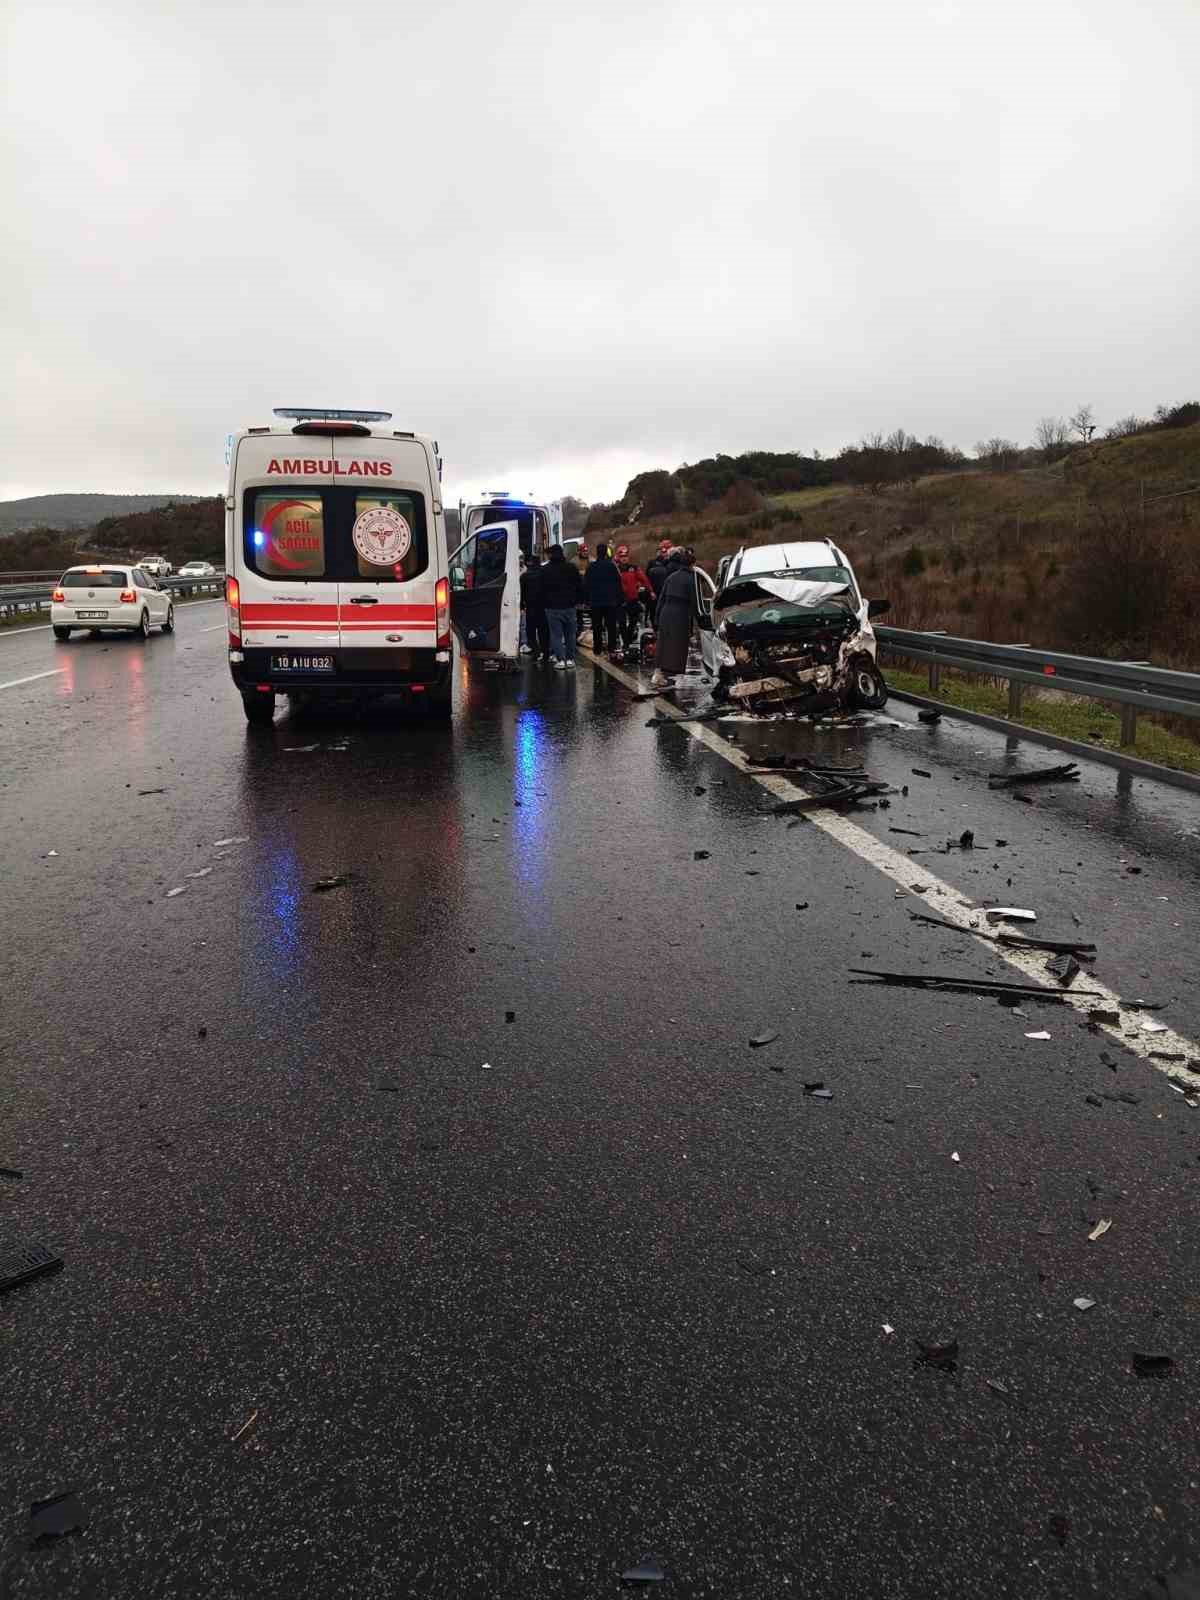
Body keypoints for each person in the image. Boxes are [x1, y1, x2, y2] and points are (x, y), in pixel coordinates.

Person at [651, 547, 696, 690]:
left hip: (666, 611)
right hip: (681, 613)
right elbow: (694, 602)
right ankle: (675, 676)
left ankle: (659, 673)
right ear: (691, 564)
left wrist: (656, 618)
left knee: (664, 643)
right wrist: (698, 621)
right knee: (679, 645)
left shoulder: (671, 577)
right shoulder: (691, 579)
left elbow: (661, 599)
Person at [539, 544, 581, 668]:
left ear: (551, 555)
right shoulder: (571, 567)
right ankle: (570, 659)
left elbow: (541, 589)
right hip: (569, 606)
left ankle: (561, 660)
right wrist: (576, 600)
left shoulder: (545, 570)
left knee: (556, 634)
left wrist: (544, 603)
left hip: (552, 607)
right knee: (570, 634)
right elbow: (579, 585)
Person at [585, 540, 624, 658]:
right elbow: (618, 583)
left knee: (597, 626)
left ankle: (597, 648)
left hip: (595, 601)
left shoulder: (591, 567)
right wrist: (619, 598)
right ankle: (611, 647)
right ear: (606, 553)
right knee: (611, 626)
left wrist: (587, 600)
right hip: (610, 601)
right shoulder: (611, 566)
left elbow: (586, 584)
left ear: (597, 553)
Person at [614, 543, 656, 651]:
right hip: (620, 600)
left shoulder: (634, 568)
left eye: (626, 557)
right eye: (622, 557)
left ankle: (627, 639)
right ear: (619, 557)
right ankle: (626, 644)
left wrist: (650, 591)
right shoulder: (615, 570)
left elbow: (644, 580)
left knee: (633, 621)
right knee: (622, 622)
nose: (624, 559)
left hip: (633, 599)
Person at [521, 553, 550, 663]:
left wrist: (522, 605)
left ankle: (535, 650)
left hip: (531, 607)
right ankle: (545, 651)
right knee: (544, 630)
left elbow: (522, 592)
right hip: (543, 607)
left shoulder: (525, 576)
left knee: (531, 631)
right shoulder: (545, 574)